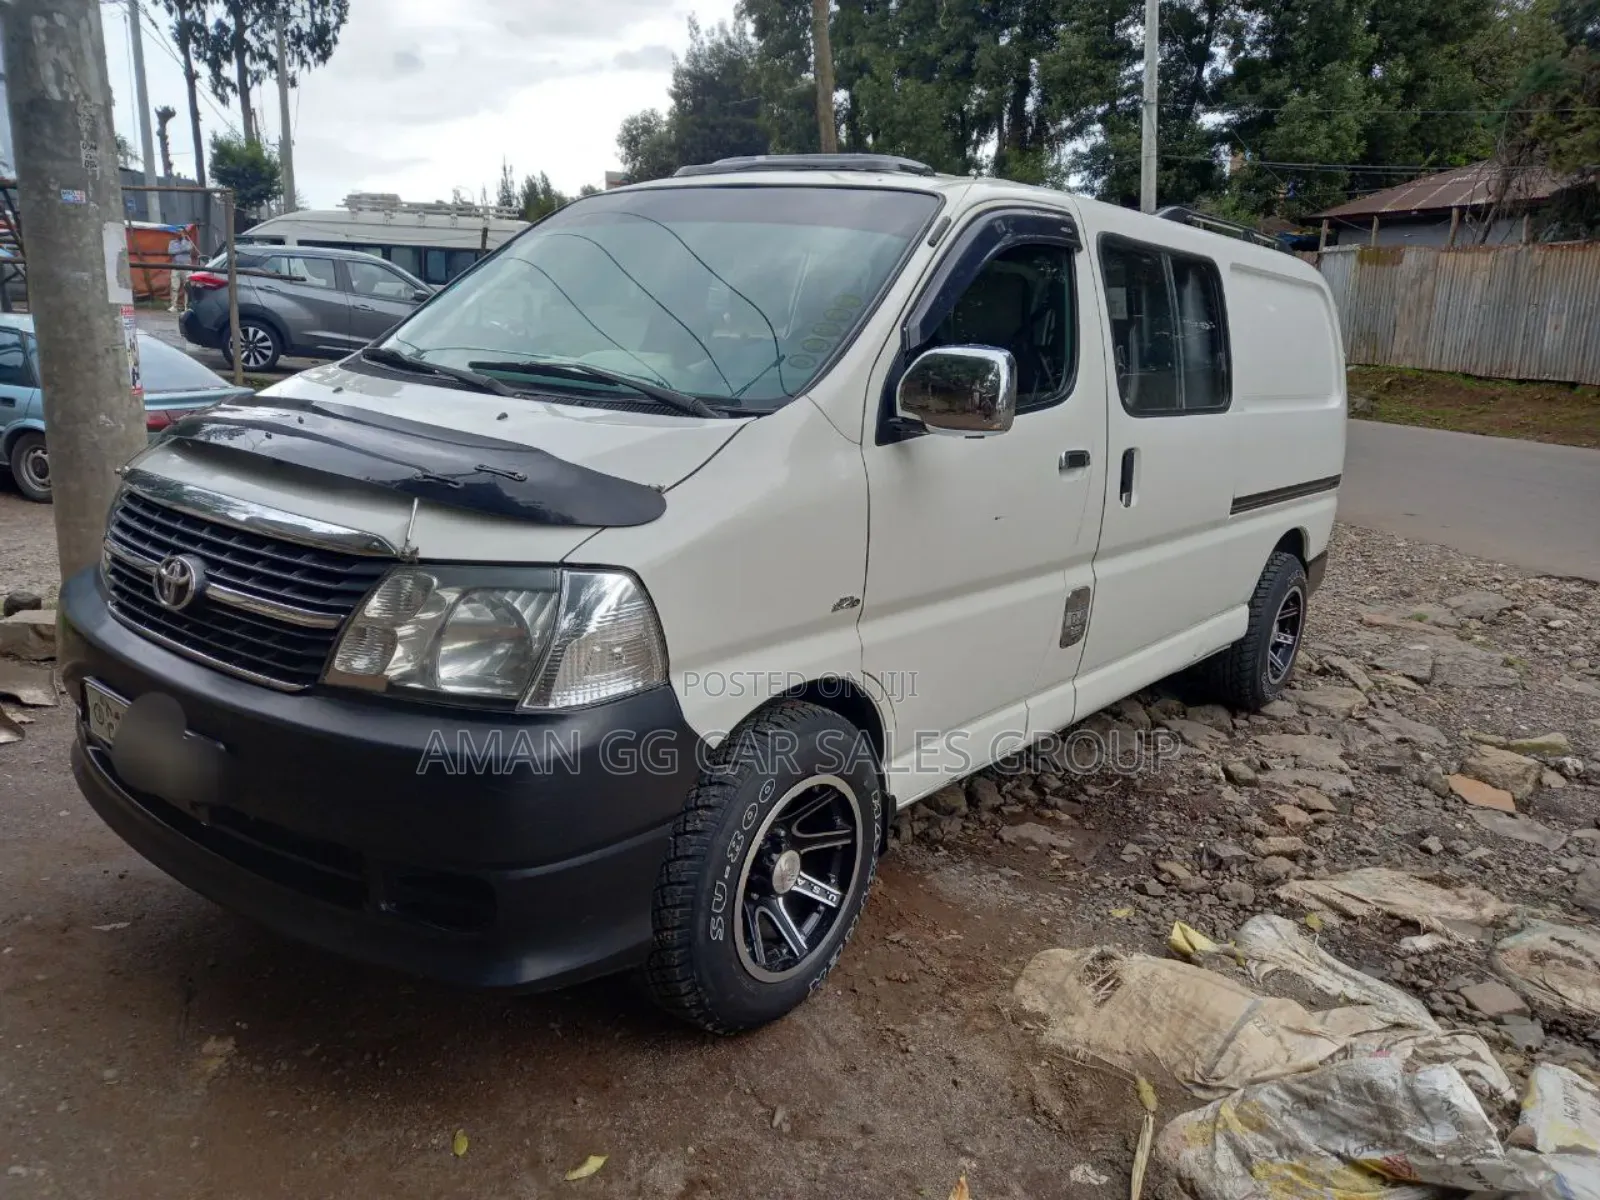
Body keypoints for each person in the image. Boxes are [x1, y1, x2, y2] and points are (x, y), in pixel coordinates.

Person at [166, 229, 195, 313]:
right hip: (175, 266)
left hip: (186, 266)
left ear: (183, 234)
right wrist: (182, 250)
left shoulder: (188, 242)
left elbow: (189, 249)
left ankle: (186, 306)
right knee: (174, 287)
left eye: (181, 233)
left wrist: (182, 242)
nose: (179, 234)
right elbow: (170, 251)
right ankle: (174, 306)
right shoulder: (172, 242)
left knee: (187, 287)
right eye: (178, 233)